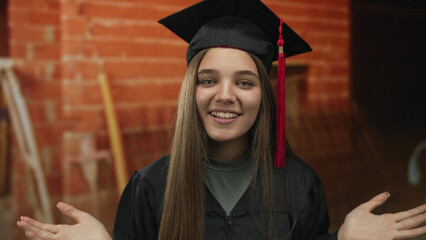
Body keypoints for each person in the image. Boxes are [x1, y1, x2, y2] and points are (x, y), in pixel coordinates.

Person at [17, 0, 426, 239]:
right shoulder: (149, 189)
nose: (225, 95)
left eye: (245, 82)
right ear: (191, 91)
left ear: (265, 96)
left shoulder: (302, 186)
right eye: (208, 79)